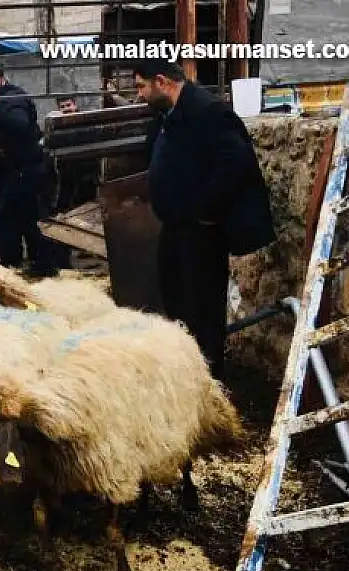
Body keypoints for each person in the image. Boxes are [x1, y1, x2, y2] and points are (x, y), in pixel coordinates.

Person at [135, 58, 275, 380]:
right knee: (176, 301)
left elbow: (235, 162)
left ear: (162, 81)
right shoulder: (169, 115)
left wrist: (205, 211)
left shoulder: (207, 111)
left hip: (199, 231)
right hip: (176, 227)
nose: (139, 95)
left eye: (141, 86)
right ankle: (187, 372)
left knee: (202, 310)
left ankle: (209, 380)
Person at [0, 59, 57, 276]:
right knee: (7, 220)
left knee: (28, 221)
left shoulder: (14, 97)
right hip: (5, 171)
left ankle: (41, 267)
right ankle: (15, 265)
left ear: (2, 79)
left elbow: (20, 126)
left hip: (27, 170)